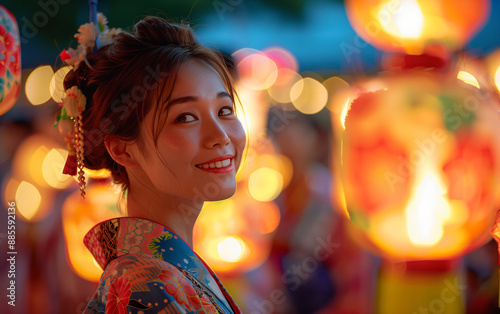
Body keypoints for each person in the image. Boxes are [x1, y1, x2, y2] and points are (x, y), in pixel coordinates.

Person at [59, 16, 245, 314]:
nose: (221, 137)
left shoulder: (156, 272)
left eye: (225, 110)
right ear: (123, 150)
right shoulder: (149, 286)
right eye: (185, 117)